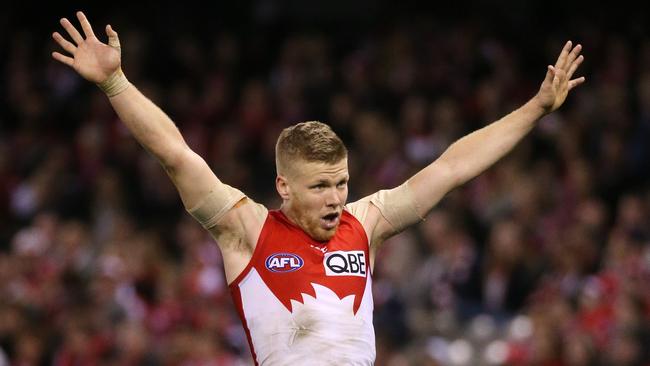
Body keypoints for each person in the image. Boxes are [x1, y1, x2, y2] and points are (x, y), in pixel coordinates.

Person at [52, 11, 585, 365]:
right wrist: (114, 83)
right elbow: (175, 155)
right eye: (320, 186)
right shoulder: (246, 230)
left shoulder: (365, 223)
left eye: (342, 183)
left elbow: (450, 168)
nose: (336, 197)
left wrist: (535, 108)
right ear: (284, 185)